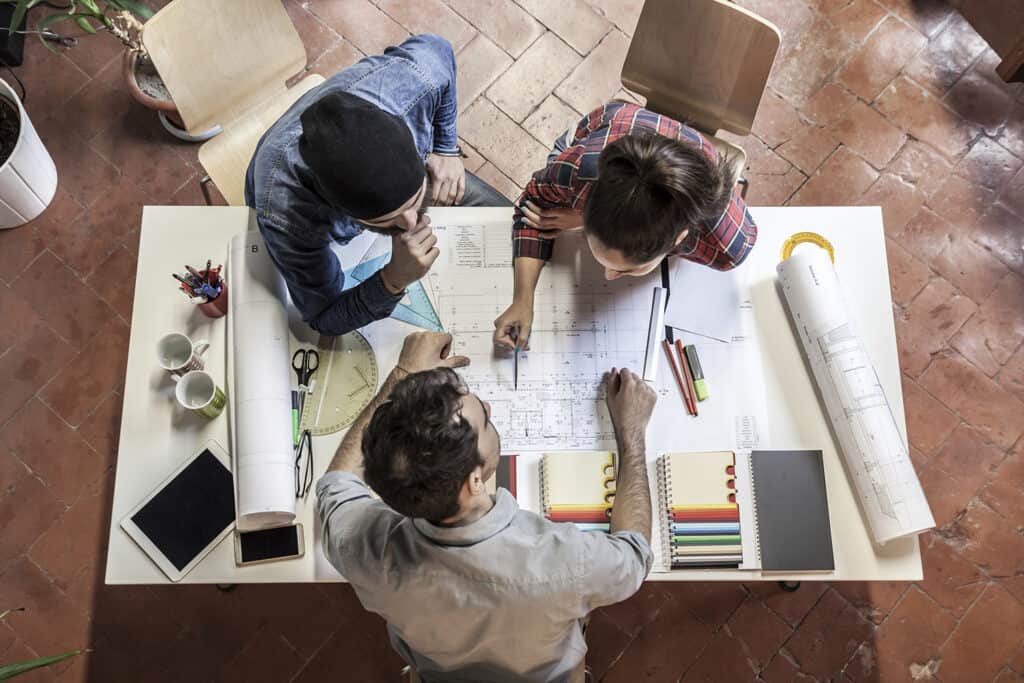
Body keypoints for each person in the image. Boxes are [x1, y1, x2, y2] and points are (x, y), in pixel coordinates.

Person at [317, 331, 657, 682]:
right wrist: (632, 434)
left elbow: (334, 484)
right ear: (474, 481)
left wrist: (403, 377)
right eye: (485, 419)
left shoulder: (366, 551)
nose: (490, 408)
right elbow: (634, 555)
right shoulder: (565, 561)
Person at [245, 34, 511, 337]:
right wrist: (393, 280)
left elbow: (440, 49)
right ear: (343, 212)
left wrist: (446, 148)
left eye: (415, 200)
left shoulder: (415, 79)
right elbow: (324, 317)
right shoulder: (287, 217)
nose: (413, 222)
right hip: (288, 199)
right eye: (389, 219)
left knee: (509, 220)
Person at [493, 101, 758, 350]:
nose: (607, 276)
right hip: (613, 124)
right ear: (587, 202)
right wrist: (523, 299)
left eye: (628, 268)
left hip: (646, 138)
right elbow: (532, 202)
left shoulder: (727, 247)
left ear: (678, 240)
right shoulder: (576, 168)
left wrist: (581, 221)